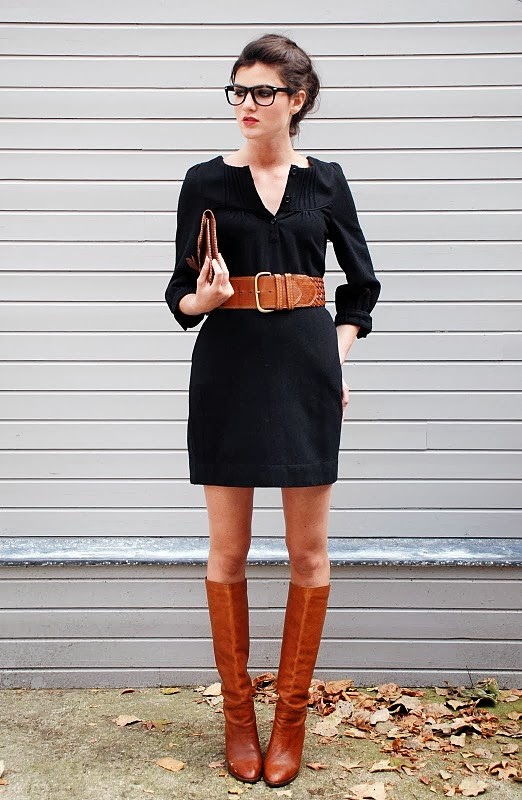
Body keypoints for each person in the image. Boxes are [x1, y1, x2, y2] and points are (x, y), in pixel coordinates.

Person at [164, 34, 381, 788]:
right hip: (227, 367)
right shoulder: (203, 181)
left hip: (305, 368)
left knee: (308, 555)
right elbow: (179, 295)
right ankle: (237, 719)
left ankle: (289, 718)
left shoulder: (327, 181)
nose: (246, 106)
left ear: (298, 100)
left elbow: (361, 288)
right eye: (238, 92)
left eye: (262, 93)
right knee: (226, 553)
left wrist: (339, 359)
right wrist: (209, 297)